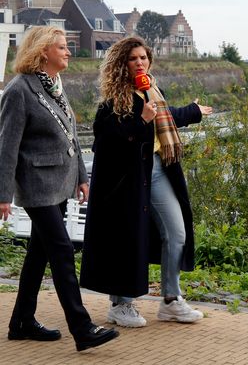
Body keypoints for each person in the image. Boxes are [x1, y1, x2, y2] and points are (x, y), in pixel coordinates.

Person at [0, 26, 119, 351]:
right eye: (62, 47)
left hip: (60, 184)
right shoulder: (19, 90)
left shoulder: (52, 86)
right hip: (37, 186)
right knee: (63, 251)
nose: (68, 52)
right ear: (43, 52)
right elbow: (7, 147)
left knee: (39, 256)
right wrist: (3, 195)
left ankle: (21, 321)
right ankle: (82, 329)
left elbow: (70, 136)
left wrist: (81, 176)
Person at [80, 36, 212, 328]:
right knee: (128, 237)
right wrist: (140, 120)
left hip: (158, 169)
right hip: (128, 178)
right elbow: (107, 140)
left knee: (176, 232)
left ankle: (170, 300)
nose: (140, 62)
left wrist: (194, 111)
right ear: (121, 65)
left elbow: (167, 116)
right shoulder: (113, 101)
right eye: (133, 59)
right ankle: (120, 304)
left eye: (143, 57)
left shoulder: (152, 90)